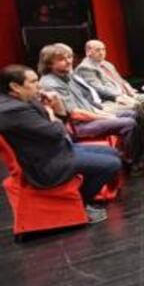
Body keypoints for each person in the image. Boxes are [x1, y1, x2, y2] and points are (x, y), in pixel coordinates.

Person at [0, 64, 122, 223]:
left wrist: (56, 105)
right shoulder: (12, 110)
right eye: (33, 82)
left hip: (55, 149)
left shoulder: (22, 99)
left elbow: (60, 124)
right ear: (15, 86)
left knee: (112, 153)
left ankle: (84, 195)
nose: (39, 85)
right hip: (45, 164)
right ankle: (81, 203)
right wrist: (51, 113)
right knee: (111, 164)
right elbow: (58, 132)